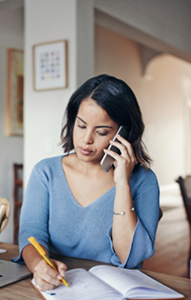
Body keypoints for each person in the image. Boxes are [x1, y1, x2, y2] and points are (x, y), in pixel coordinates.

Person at [13, 74, 160, 291]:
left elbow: (130, 258)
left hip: (114, 292)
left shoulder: (144, 181)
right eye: (81, 126)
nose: (86, 139)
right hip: (57, 289)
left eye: (101, 132)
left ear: (124, 133)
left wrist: (122, 184)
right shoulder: (46, 172)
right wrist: (39, 266)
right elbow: (31, 234)